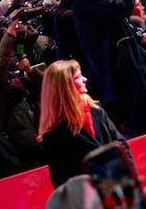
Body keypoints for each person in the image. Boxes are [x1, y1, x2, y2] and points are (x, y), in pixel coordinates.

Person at [36, 58, 121, 186]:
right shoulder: (53, 137)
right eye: (78, 77)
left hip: (120, 182)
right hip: (88, 198)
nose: (85, 79)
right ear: (66, 86)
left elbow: (120, 143)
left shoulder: (96, 110)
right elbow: (61, 182)